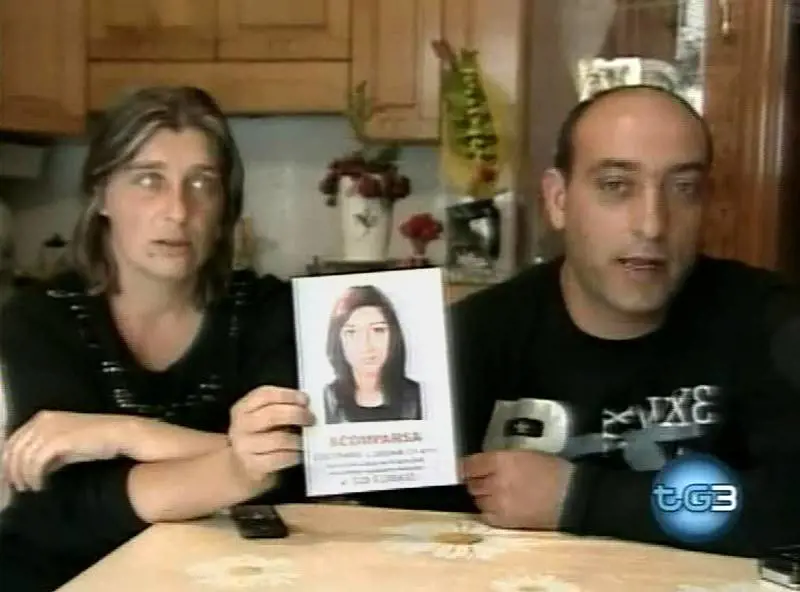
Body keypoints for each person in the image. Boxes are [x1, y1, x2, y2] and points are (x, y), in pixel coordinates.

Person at [423, 84, 800, 557]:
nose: (653, 224)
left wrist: (580, 499)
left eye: (683, 188)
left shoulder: (768, 321)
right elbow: (386, 518)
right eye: (616, 186)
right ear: (558, 200)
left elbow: (790, 503)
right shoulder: (464, 339)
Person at [0, 86, 313, 591]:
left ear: (224, 207)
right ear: (101, 194)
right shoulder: (41, 319)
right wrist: (237, 469)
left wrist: (126, 434)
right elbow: (66, 507)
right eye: (149, 180)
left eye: (202, 183)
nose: (178, 211)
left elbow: (295, 468)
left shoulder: (267, 311)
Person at [322, 284, 422, 423]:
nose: (366, 346)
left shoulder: (417, 396)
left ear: (394, 335)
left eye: (378, 330)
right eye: (351, 332)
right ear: (337, 340)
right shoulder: (327, 398)